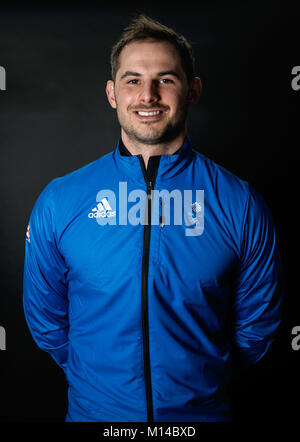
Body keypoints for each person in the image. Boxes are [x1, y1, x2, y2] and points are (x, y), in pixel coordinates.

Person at [23, 14, 283, 422]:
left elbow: (257, 327)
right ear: (112, 93)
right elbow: (47, 323)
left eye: (166, 79)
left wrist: (196, 381)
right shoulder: (60, 200)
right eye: (132, 80)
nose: (148, 95)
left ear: (192, 91)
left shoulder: (240, 203)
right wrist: (102, 385)